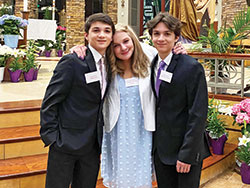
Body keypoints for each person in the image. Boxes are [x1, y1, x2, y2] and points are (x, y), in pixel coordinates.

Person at [40, 13, 115, 188]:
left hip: (92, 145)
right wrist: (52, 137)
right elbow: (50, 101)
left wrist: (175, 49)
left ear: (112, 36)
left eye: (107, 31)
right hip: (65, 143)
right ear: (86, 35)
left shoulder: (111, 64)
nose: (101, 35)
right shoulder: (72, 61)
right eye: (96, 30)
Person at [147, 12, 211, 188]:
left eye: (167, 33)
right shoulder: (153, 64)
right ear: (151, 36)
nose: (161, 38)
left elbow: (197, 114)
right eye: (156, 33)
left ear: (176, 37)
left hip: (184, 152)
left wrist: (187, 154)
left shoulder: (191, 68)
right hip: (161, 151)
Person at [101, 23, 156, 188]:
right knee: (122, 174)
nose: (123, 48)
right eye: (116, 45)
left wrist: (179, 49)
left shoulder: (151, 58)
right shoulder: (107, 68)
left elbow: (170, 56)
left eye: (126, 41)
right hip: (118, 131)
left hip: (143, 129)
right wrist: (78, 48)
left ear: (133, 40)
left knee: (141, 174)